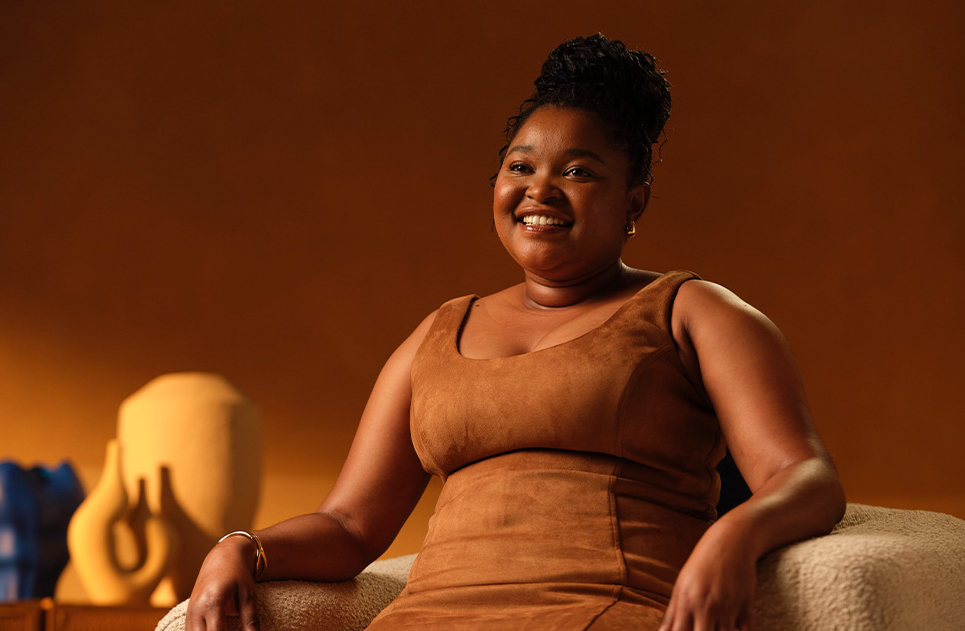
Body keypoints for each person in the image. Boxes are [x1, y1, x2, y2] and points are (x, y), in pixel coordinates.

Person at [186, 34, 846, 631]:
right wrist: (241, 548)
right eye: (521, 167)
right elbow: (350, 526)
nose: (541, 190)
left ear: (634, 201)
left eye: (578, 171)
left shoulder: (690, 311)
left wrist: (731, 539)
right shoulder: (438, 333)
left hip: (602, 614)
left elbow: (804, 475)